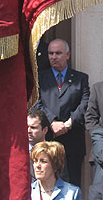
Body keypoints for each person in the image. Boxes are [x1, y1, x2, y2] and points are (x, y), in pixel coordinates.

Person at [32, 38, 90, 187]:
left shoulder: (80, 78)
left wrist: (68, 124)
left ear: (68, 55)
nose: (53, 57)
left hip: (72, 142)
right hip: (48, 138)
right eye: (51, 53)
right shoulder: (40, 77)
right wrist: (52, 122)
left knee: (73, 185)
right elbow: (36, 102)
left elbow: (85, 104)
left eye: (58, 53)